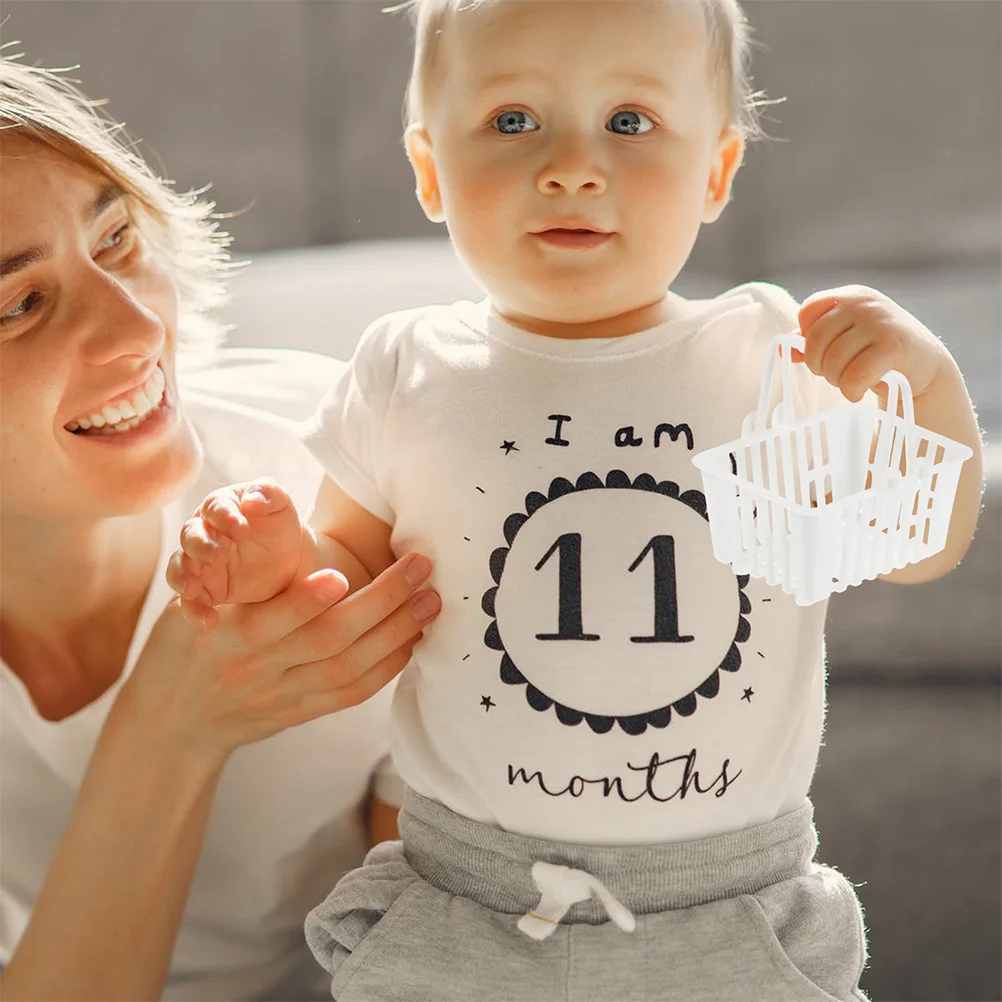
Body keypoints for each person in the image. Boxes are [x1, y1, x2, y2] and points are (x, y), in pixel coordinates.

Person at [171, 0, 985, 998]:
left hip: (729, 906)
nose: (570, 165)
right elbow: (355, 587)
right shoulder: (408, 365)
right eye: (514, 121)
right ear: (430, 169)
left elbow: (917, 547)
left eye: (630, 123)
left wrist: (931, 388)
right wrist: (276, 568)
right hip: (471, 895)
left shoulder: (765, 354)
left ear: (718, 171)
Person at [0, 56, 443, 1001]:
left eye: (116, 239)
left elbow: (458, 956)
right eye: (18, 305)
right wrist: (173, 719)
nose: (134, 327)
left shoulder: (361, 482)